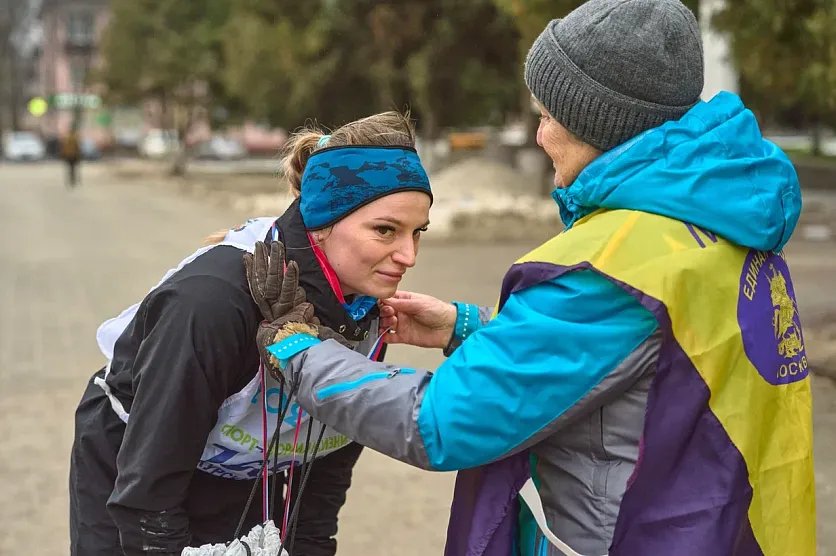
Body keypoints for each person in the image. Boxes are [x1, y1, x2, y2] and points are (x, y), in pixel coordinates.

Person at [249, 1, 815, 555]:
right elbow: (655, 361)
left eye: (547, 117)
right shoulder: (725, 220)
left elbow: (440, 421)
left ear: (599, 123)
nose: (540, 137)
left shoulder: (610, 267)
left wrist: (301, 351)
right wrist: (465, 328)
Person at [68, 110, 434, 555]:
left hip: (243, 467)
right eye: (385, 230)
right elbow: (148, 499)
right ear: (322, 223)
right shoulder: (211, 305)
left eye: (418, 232)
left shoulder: (369, 307)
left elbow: (322, 480)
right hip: (135, 469)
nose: (409, 256)